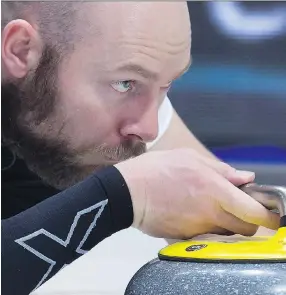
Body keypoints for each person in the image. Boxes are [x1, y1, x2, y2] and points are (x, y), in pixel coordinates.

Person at [1, 2, 279, 295]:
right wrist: (126, 195)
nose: (149, 129)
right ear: (20, 49)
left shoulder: (122, 78)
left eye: (166, 84)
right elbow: (136, 189)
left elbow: (254, 234)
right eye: (125, 84)